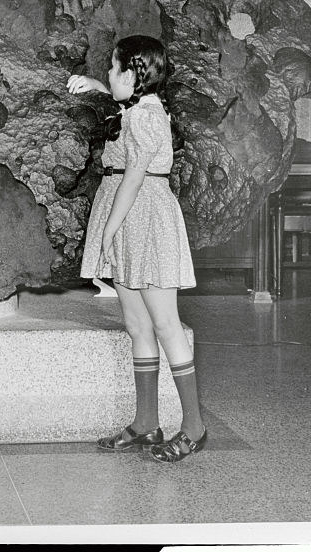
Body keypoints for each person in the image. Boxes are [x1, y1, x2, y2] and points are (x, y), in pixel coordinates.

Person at [66, 35, 207, 462]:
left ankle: (194, 426)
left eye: (113, 69)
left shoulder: (147, 117)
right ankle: (146, 422)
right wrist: (96, 84)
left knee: (166, 325)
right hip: (128, 213)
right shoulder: (135, 106)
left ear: (133, 74)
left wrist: (108, 230)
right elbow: (122, 97)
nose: (109, 76)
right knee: (137, 325)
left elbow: (133, 177)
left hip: (142, 216)